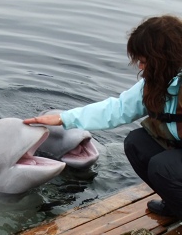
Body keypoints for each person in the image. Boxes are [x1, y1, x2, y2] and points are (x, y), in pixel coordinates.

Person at [23, 15, 182, 218]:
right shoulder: (158, 82)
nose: (140, 67)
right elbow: (117, 109)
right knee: (135, 142)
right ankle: (175, 205)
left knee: (164, 166)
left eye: (144, 61)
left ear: (163, 58)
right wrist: (64, 118)